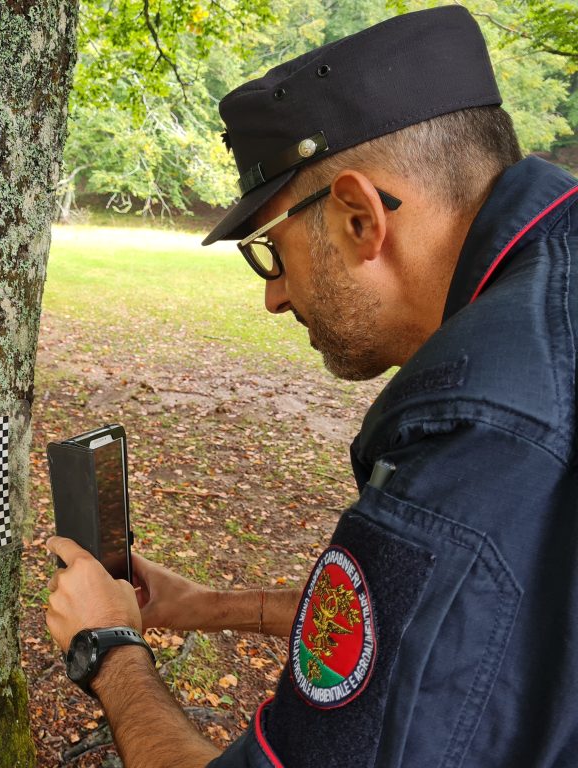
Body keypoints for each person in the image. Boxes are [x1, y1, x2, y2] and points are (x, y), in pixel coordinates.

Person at [44, 5, 578, 767]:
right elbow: (437, 627)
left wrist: (111, 652)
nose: (274, 296)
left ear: (361, 216)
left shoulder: (481, 434)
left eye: (271, 253)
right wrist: (207, 607)